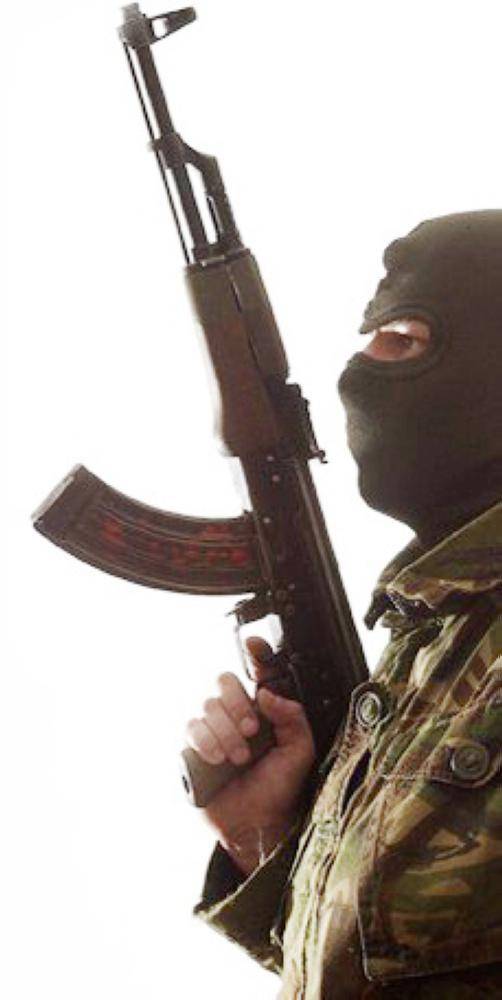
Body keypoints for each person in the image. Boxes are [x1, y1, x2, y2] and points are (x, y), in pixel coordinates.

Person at [185, 210, 502, 998]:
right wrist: (266, 839)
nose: (360, 370)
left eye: (406, 337)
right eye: (370, 336)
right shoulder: (432, 635)